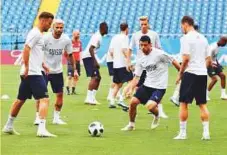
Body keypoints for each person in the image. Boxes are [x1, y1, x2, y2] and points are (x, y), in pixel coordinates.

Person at [2, 12, 56, 137]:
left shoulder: (40, 34)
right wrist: (26, 67)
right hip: (32, 72)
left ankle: (8, 126)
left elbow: (36, 52)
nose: (50, 26)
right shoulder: (35, 33)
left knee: (20, 100)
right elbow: (26, 48)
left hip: (33, 71)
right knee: (45, 99)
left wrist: (43, 64)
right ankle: (41, 129)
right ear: (42, 20)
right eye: (49, 23)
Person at [121, 35, 180, 131]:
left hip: (159, 87)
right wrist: (130, 88)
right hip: (147, 86)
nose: (143, 47)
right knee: (132, 103)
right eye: (141, 45)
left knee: (150, 106)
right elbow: (136, 78)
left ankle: (157, 116)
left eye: (145, 45)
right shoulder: (141, 59)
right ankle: (131, 125)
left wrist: (180, 73)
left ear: (150, 45)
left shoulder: (159, 54)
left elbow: (172, 60)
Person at [174, 16, 212, 140]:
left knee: (183, 103)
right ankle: (206, 133)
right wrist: (201, 68)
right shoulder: (203, 38)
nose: (181, 29)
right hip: (202, 74)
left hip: (190, 73)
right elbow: (209, 60)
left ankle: (183, 133)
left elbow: (185, 59)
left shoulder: (186, 38)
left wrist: (180, 73)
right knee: (202, 104)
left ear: (185, 24)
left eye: (181, 26)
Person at [34, 19, 75, 125]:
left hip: (57, 71)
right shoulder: (46, 38)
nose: (59, 29)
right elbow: (38, 52)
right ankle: (38, 117)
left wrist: (74, 70)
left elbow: (70, 54)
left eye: (61, 27)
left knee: (60, 95)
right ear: (53, 27)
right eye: (57, 27)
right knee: (41, 95)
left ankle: (56, 118)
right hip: (44, 70)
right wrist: (40, 65)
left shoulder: (66, 39)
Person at [128, 16, 168, 118]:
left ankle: (159, 109)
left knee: (157, 85)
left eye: (145, 24)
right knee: (137, 87)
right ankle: (138, 110)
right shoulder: (135, 35)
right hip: (141, 65)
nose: (143, 26)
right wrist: (128, 61)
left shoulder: (154, 34)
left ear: (148, 24)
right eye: (141, 24)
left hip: (153, 65)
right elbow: (130, 48)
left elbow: (159, 48)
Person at [108, 23, 133, 109]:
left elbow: (111, 51)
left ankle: (112, 101)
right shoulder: (125, 37)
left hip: (116, 65)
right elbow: (124, 50)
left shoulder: (115, 37)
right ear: (127, 29)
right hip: (123, 64)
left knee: (118, 84)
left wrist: (115, 59)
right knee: (131, 81)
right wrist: (128, 61)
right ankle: (121, 99)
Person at [82, 22, 108, 105]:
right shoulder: (97, 36)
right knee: (94, 77)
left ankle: (92, 98)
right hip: (88, 57)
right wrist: (95, 61)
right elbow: (90, 49)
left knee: (98, 78)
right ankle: (88, 98)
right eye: (106, 28)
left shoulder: (99, 36)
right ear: (102, 28)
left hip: (90, 57)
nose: (107, 30)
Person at [207, 36, 227, 100]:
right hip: (209, 64)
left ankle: (223, 95)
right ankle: (205, 95)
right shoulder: (212, 47)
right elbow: (207, 57)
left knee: (223, 76)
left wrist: (218, 64)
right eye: (225, 42)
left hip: (214, 64)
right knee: (214, 79)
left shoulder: (218, 47)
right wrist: (211, 64)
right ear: (222, 41)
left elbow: (214, 58)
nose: (225, 44)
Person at [66, 30, 82, 95]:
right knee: (69, 76)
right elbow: (66, 52)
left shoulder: (80, 42)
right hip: (71, 61)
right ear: (73, 34)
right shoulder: (70, 42)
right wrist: (69, 59)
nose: (78, 35)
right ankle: (67, 90)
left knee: (76, 76)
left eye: (79, 34)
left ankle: (73, 90)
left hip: (77, 61)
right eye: (77, 34)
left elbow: (79, 52)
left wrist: (79, 61)